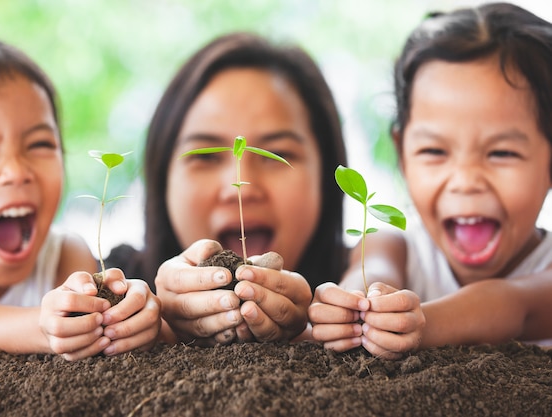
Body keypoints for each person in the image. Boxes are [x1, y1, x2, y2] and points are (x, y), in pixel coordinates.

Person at [309, 2, 552, 357]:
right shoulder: (396, 248)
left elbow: (511, 306)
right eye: (434, 152)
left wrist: (421, 322)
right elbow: (374, 272)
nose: (466, 181)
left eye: (502, 153)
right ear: (402, 154)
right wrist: (351, 307)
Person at [106, 32, 349, 345]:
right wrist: (160, 323)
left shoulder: (366, 279)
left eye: (277, 155)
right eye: (205, 156)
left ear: (326, 176)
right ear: (163, 177)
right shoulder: (116, 286)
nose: (242, 189)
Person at [0, 38, 161, 360]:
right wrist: (43, 325)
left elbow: (95, 336)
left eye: (39, 144)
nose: (16, 172)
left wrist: (134, 319)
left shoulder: (64, 257)